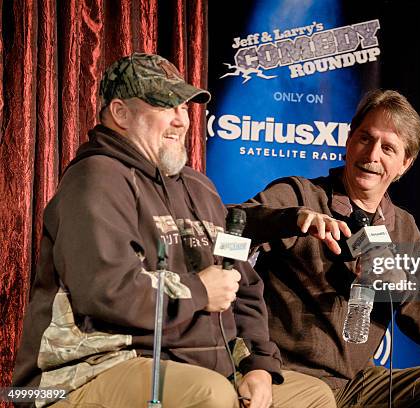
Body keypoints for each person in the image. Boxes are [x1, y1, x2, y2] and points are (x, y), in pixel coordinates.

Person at [11, 53, 335, 408]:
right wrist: (199, 291)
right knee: (209, 395)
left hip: (197, 366)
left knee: (311, 396)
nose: (181, 121)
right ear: (120, 113)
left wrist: (257, 364)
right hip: (88, 371)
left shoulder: (201, 188)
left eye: (184, 108)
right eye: (166, 106)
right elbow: (105, 291)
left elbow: (243, 285)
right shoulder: (95, 179)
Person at [237, 89, 420, 407]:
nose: (372, 155)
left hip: (356, 383)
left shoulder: (403, 227)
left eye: (388, 148)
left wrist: (401, 286)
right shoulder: (302, 194)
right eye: (365, 138)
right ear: (348, 141)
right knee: (319, 398)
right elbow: (230, 221)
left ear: (404, 165)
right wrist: (291, 219)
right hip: (291, 373)